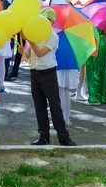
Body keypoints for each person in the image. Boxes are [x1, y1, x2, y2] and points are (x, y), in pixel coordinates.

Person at [21, 8, 76, 146]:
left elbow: (40, 53)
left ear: (52, 22)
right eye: (42, 19)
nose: (44, 22)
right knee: (39, 107)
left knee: (55, 106)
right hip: (35, 73)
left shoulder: (53, 36)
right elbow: (28, 54)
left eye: (47, 19)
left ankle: (64, 138)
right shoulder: (35, 35)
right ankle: (43, 137)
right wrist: (23, 50)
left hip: (48, 74)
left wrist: (30, 40)